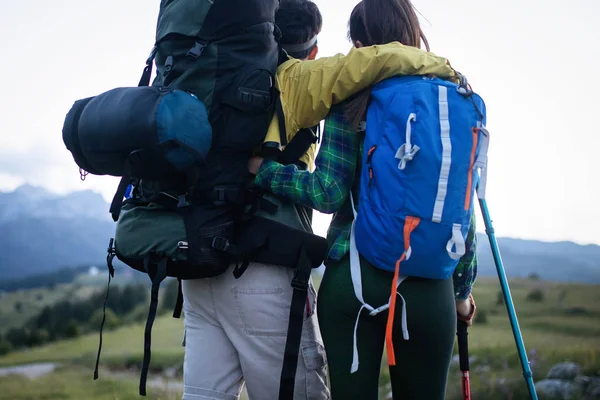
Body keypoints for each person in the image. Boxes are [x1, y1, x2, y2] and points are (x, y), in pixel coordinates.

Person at [248, 0, 478, 398]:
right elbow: (461, 211)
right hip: (429, 286)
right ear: (413, 33)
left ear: (359, 44)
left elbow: (328, 191)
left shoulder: (352, 97)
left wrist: (264, 172)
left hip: (353, 279)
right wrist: (461, 294)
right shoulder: (451, 100)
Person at [181, 3, 330, 400]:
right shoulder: (300, 82)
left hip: (199, 266)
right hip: (265, 269)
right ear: (312, 51)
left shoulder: (212, 78)